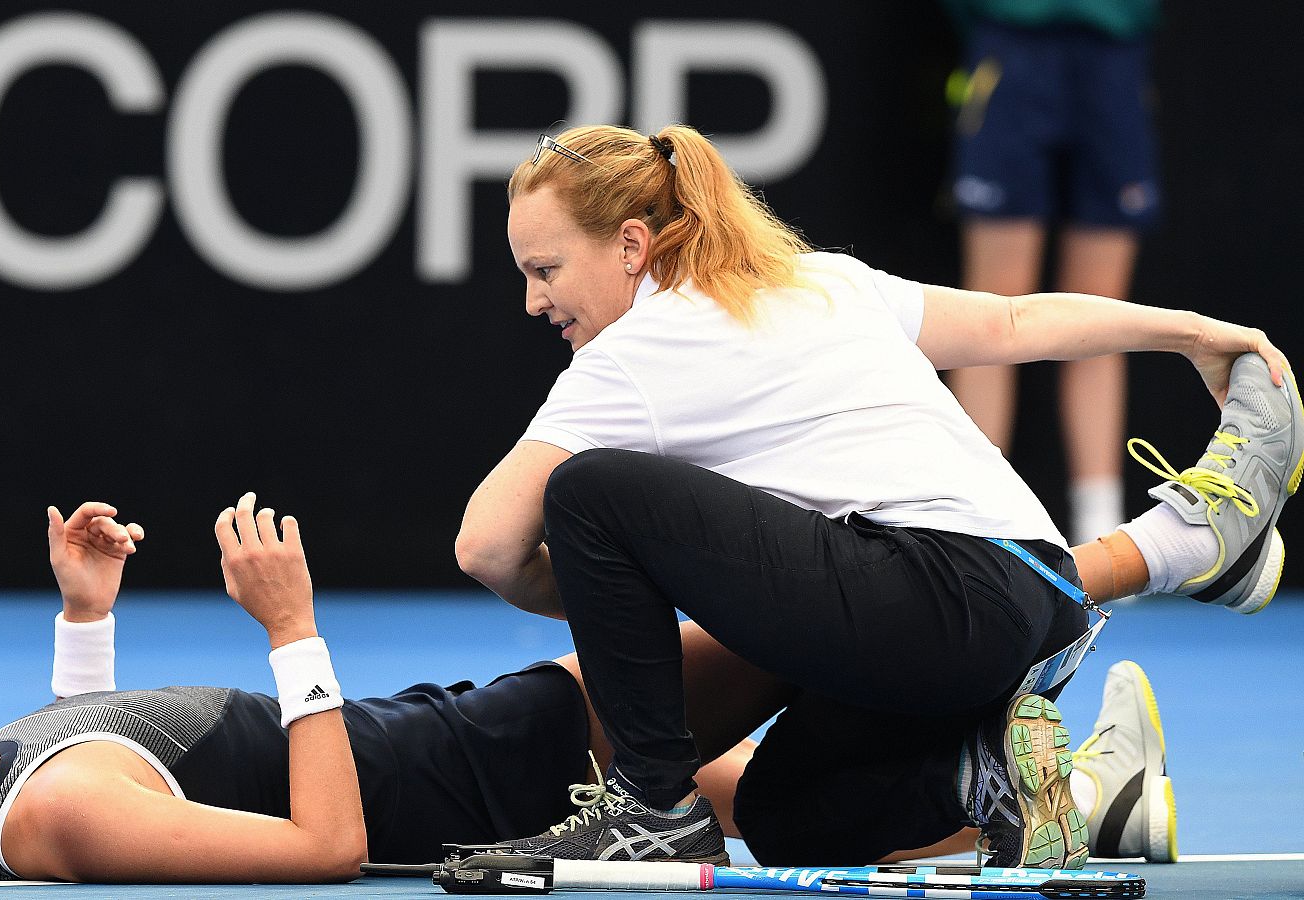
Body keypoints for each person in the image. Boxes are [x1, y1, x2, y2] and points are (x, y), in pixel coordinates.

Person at [455, 124, 1298, 868]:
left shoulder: (627, 353)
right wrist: (1193, 332)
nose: (535, 300)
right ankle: (982, 774)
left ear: (632, 246)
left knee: (589, 491)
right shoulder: (822, 279)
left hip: (932, 603)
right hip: (1042, 608)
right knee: (781, 815)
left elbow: (486, 547)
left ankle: (651, 808)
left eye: (546, 269)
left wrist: (621, 599)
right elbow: (1013, 324)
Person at [0, 496, 782, 884]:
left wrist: (86, 614)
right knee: (796, 635)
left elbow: (103, 742)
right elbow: (327, 851)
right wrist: (293, 630)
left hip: (443, 735)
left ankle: (935, 795)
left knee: (767, 784)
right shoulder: (56, 817)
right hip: (480, 771)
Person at [942, 0, 1163, 545]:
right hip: (1010, 49)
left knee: (1105, 313)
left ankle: (1102, 535)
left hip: (1115, 55)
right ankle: (970, 529)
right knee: (986, 311)